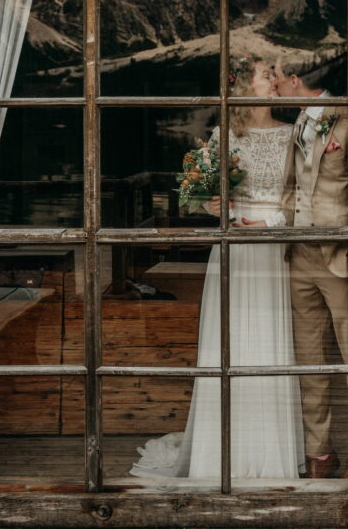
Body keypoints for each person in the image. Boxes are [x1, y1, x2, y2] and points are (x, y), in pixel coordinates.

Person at [130, 56, 305, 480]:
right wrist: (211, 204)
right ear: (247, 87)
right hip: (235, 250)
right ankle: (220, 451)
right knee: (230, 344)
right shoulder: (225, 137)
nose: (275, 80)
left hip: (274, 248)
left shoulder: (292, 135)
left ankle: (270, 452)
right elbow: (200, 197)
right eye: (267, 75)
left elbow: (305, 196)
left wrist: (273, 223)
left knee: (271, 344)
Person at [275, 64, 348, 479]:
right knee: (309, 360)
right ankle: (320, 455)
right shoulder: (300, 119)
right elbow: (292, 186)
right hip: (298, 253)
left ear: (294, 80)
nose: (274, 83)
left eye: (278, 76)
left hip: (339, 254)